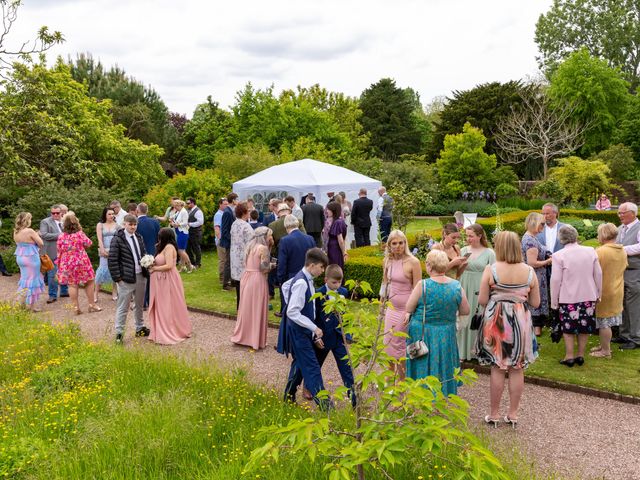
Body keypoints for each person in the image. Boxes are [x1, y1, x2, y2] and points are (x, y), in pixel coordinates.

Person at [476, 231, 540, 428]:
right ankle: (513, 414)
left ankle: (494, 414)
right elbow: (536, 302)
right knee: (517, 368)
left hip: (497, 321)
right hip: (520, 321)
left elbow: (482, 300)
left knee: (497, 367)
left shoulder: (491, 269)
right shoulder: (529, 271)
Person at [404, 250, 470, 396]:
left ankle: (420, 393)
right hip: (446, 332)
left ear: (428, 266)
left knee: (422, 362)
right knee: (443, 363)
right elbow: (466, 310)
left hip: (423, 331)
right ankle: (442, 393)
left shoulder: (423, 285)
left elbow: (409, 307)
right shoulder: (456, 286)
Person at [277, 248, 330, 409]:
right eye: (321, 267)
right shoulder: (301, 282)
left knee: (299, 364)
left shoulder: (302, 279)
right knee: (312, 367)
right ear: (312, 265)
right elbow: (293, 311)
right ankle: (325, 407)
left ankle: (288, 395)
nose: (322, 271)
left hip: (301, 330)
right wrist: (314, 327)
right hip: (299, 331)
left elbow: (286, 286)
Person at [550, 225, 602, 367]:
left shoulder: (558, 255)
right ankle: (580, 355)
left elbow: (555, 280)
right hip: (588, 295)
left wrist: (554, 301)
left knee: (568, 327)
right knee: (584, 326)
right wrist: (599, 293)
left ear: (561, 239)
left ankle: (569, 356)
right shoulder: (591, 251)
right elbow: (598, 274)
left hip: (568, 297)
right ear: (576, 235)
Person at [381, 230, 422, 381]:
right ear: (389, 245)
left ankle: (402, 381)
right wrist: (382, 304)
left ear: (405, 244)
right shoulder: (387, 261)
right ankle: (390, 379)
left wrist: (411, 312)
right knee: (388, 343)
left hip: (406, 310)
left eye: (401, 243)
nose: (398, 246)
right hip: (391, 309)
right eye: (394, 243)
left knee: (400, 345)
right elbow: (385, 284)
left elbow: (418, 289)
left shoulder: (413, 262)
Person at [314, 264, 356, 406]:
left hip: (339, 338)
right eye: (334, 282)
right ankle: (310, 388)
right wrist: (316, 336)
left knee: (347, 368)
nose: (337, 285)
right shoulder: (318, 294)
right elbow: (314, 318)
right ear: (326, 280)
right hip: (324, 338)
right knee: (315, 366)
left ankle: (355, 399)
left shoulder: (343, 292)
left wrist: (347, 334)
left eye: (339, 282)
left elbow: (344, 315)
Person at [108, 214, 151, 344]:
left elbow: (142, 253)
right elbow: (112, 260)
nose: (133, 227)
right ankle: (119, 333)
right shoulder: (117, 239)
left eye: (135, 224)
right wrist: (118, 278)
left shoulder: (139, 237)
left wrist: (147, 264)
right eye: (130, 224)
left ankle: (139, 328)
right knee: (123, 306)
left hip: (140, 276)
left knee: (139, 304)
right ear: (124, 224)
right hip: (126, 278)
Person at [231, 227, 273, 350]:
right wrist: (273, 265)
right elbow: (264, 268)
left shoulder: (250, 247)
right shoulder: (263, 249)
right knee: (257, 308)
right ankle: (255, 339)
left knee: (247, 308)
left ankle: (245, 336)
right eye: (270, 235)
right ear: (264, 236)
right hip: (257, 279)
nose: (271, 238)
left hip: (247, 277)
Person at [147, 228, 192, 345]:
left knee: (168, 304)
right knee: (162, 304)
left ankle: (171, 330)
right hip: (160, 281)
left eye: (160, 236)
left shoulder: (169, 247)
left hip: (168, 279)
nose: (158, 237)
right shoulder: (162, 247)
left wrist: (154, 268)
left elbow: (169, 265)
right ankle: (161, 328)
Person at [458, 224, 495, 361]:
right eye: (467, 236)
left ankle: (477, 351)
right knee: (463, 317)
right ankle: (462, 351)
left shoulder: (489, 253)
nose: (468, 239)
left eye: (471, 236)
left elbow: (494, 273)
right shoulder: (462, 251)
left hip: (480, 288)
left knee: (478, 318)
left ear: (480, 236)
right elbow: (456, 272)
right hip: (464, 286)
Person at [592, 223, 627, 358]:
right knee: (606, 322)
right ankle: (604, 345)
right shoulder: (621, 250)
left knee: (604, 322)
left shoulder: (600, 251)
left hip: (604, 291)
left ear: (603, 234)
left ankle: (605, 351)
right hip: (617, 289)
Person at [56, 213, 100, 315]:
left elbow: (59, 251)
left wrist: (59, 264)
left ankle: (76, 307)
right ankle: (91, 304)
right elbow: (89, 243)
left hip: (67, 262)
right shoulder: (80, 234)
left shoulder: (61, 236)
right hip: (81, 261)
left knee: (72, 284)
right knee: (89, 281)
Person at [614, 202, 640, 350]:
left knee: (634, 306)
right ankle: (624, 334)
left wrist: (620, 249)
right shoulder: (619, 229)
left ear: (632, 213)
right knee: (622, 303)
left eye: (622, 213)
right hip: (620, 272)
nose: (620, 215)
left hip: (635, 272)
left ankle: (636, 338)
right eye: (619, 213)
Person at [522, 212, 552, 336]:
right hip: (535, 275)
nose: (543, 226)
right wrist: (548, 261)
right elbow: (532, 262)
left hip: (536, 274)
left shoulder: (531, 237)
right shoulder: (530, 240)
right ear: (534, 223)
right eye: (542, 224)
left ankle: (535, 327)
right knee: (535, 299)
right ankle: (535, 329)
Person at [13, 212, 45, 311]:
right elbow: (41, 243)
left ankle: (20, 304)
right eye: (30, 219)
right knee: (33, 281)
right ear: (27, 220)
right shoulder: (29, 231)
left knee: (24, 280)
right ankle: (31, 306)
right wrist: (38, 235)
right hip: (31, 258)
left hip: (20, 258)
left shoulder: (16, 231)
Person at [277, 215, 317, 291]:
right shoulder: (310, 239)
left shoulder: (285, 241)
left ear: (286, 227)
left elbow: (282, 263)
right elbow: (315, 258)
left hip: (291, 279)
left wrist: (280, 279)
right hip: (308, 276)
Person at [39, 204, 69, 304]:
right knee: (52, 274)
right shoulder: (45, 221)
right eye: (53, 213)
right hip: (51, 251)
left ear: (61, 213)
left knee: (64, 271)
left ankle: (64, 291)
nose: (55, 214)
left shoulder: (65, 221)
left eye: (57, 213)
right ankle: (52, 295)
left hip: (65, 251)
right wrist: (61, 235)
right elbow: (44, 235)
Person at [230, 202, 254, 309]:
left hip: (235, 256)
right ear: (244, 213)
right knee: (245, 285)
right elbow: (252, 243)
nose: (249, 213)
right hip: (244, 257)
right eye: (248, 211)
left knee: (239, 285)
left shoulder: (234, 224)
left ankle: (239, 306)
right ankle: (244, 308)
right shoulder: (246, 226)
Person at [136, 203, 161, 308]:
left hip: (139, 253)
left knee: (140, 279)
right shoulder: (155, 222)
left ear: (137, 211)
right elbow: (159, 239)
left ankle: (143, 302)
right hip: (153, 252)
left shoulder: (135, 223)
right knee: (151, 278)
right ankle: (151, 301)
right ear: (147, 211)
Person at [95, 207, 120, 303]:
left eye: (113, 214)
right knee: (101, 271)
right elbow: (99, 239)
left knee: (114, 270)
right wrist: (102, 250)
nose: (111, 216)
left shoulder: (117, 226)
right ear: (105, 214)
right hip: (103, 250)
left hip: (114, 251)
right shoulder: (100, 225)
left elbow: (119, 239)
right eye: (109, 214)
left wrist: (115, 251)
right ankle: (95, 293)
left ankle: (114, 292)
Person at [220, 193, 239, 289]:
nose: (238, 200)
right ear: (233, 200)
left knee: (232, 261)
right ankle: (225, 283)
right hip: (229, 241)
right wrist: (232, 240)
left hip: (232, 241)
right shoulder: (227, 212)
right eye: (237, 199)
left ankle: (232, 281)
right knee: (228, 262)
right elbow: (225, 230)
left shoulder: (231, 210)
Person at [169, 200, 193, 272]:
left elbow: (185, 223)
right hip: (179, 232)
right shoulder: (179, 212)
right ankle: (183, 267)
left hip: (183, 233)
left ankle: (190, 266)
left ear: (180, 205)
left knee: (180, 250)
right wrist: (172, 220)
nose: (175, 207)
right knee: (182, 250)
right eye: (174, 206)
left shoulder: (184, 212)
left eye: (176, 206)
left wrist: (177, 224)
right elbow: (173, 217)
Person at [325, 201, 348, 270]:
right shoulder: (339, 221)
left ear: (333, 210)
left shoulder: (337, 222)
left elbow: (340, 240)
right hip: (334, 248)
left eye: (328, 209)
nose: (327, 211)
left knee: (335, 268)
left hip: (334, 249)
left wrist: (344, 252)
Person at [213, 198, 228, 286]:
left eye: (227, 204)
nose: (226, 206)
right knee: (222, 260)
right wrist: (219, 239)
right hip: (221, 240)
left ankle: (225, 277)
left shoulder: (224, 213)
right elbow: (217, 228)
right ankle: (222, 278)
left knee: (225, 259)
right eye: (224, 204)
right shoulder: (218, 215)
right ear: (220, 204)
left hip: (223, 240)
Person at [186, 197, 204, 269]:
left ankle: (198, 263)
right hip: (188, 232)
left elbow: (200, 222)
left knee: (196, 248)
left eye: (188, 203)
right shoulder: (188, 210)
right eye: (187, 203)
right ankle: (192, 262)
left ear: (193, 203)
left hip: (196, 232)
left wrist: (190, 224)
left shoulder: (198, 211)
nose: (187, 205)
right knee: (187, 248)